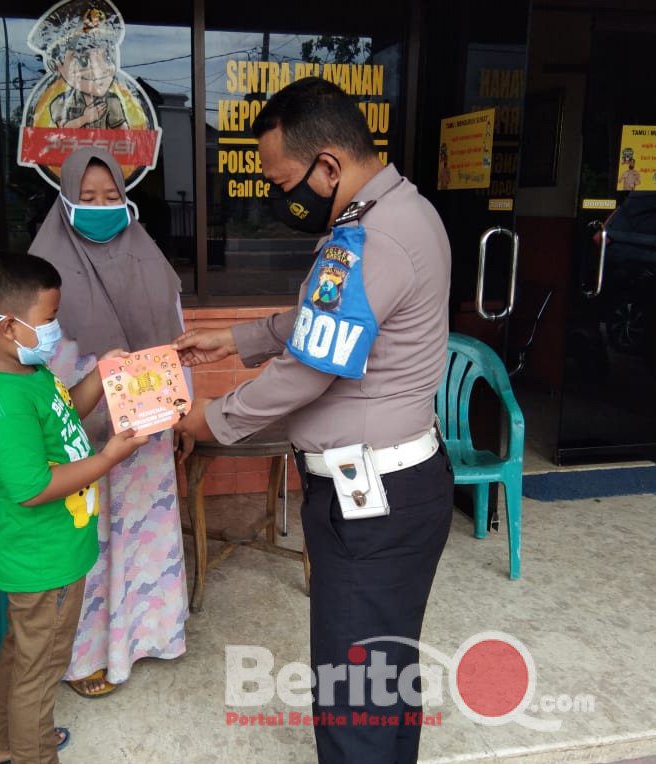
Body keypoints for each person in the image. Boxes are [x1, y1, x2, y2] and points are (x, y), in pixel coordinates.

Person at [174, 77, 454, 764]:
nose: (279, 194)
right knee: (379, 678)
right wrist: (240, 339)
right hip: (394, 490)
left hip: (371, 504)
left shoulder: (368, 239)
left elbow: (311, 367)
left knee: (356, 693)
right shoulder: (403, 213)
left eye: (283, 179)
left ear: (328, 165)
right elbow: (327, 320)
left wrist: (213, 419)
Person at [0, 251, 148, 764]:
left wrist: (105, 375)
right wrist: (109, 457)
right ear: (7, 327)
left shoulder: (32, 375)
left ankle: (3, 748)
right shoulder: (2, 404)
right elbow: (34, 487)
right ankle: (35, 753)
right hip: (40, 561)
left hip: (53, 552)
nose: (55, 330)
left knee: (22, 660)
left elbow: (67, 408)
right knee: (40, 671)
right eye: (48, 320)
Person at [29, 146, 189, 698]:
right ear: (65, 202)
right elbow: (40, 377)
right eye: (87, 198)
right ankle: (89, 656)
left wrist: (177, 413)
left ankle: (148, 637)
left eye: (112, 196)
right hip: (82, 446)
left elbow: (174, 345)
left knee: (146, 535)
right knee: (91, 548)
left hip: (146, 436)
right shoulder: (43, 274)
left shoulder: (150, 261)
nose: (101, 206)